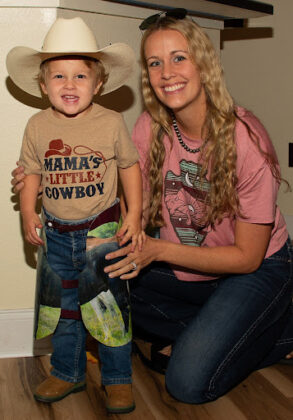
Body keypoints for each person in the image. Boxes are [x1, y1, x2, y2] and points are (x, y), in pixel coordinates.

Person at [11, 9, 293, 405]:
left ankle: (278, 328)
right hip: (190, 268)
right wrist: (46, 181)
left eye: (179, 57)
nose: (167, 73)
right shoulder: (149, 128)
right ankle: (223, 327)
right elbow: (119, 186)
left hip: (258, 269)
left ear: (204, 64)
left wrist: (155, 249)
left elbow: (247, 257)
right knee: (98, 281)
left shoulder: (246, 138)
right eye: (155, 63)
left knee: (187, 382)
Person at [7, 17, 143, 413]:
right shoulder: (36, 125)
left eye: (81, 75)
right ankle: (68, 371)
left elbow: (130, 167)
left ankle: (118, 379)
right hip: (56, 236)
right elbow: (31, 171)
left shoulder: (111, 121)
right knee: (64, 310)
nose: (70, 85)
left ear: (98, 83)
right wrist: (27, 212)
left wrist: (134, 214)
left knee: (110, 309)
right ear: (43, 84)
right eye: (59, 76)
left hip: (102, 234)